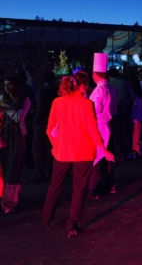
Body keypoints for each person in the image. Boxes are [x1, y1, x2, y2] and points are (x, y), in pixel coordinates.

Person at [42, 73, 114, 238]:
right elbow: (93, 130)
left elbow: (49, 129)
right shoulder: (87, 104)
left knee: (55, 185)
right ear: (80, 86)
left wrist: (56, 144)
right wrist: (103, 149)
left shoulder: (57, 102)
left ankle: (46, 217)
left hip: (62, 151)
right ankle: (72, 223)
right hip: (84, 151)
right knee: (79, 188)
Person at [0, 75, 31, 213]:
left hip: (17, 137)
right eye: (5, 85)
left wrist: (6, 109)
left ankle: (11, 201)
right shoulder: (2, 99)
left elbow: (19, 117)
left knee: (14, 168)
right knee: (5, 168)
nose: (7, 88)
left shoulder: (25, 100)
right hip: (5, 137)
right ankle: (4, 199)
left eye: (9, 85)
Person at [87, 53, 116, 199]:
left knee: (97, 157)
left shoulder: (99, 90)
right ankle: (110, 184)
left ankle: (95, 189)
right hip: (108, 124)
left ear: (95, 74)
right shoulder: (110, 87)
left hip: (99, 126)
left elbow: (94, 110)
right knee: (107, 156)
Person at [32, 71, 58, 183]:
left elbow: (40, 107)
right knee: (51, 147)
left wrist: (36, 121)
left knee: (37, 147)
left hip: (42, 122)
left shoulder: (42, 91)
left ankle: (39, 172)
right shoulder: (56, 91)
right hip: (54, 122)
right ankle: (51, 170)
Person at [108, 68, 135, 161]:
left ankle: (117, 154)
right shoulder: (125, 82)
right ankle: (125, 154)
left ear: (110, 76)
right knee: (125, 131)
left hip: (114, 109)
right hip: (125, 108)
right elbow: (132, 96)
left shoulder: (109, 84)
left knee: (116, 132)